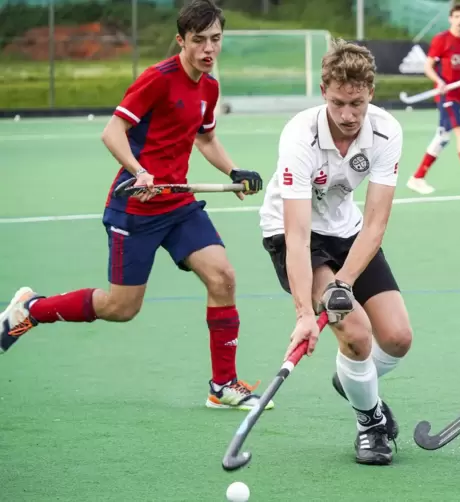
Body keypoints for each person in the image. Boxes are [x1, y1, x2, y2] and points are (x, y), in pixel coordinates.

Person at [0, 0, 272, 412]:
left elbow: (204, 137)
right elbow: (113, 132)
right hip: (135, 209)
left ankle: (223, 385)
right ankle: (33, 309)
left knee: (223, 277)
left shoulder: (209, 88)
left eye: (215, 40)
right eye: (198, 41)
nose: (208, 50)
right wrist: (138, 171)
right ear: (181, 40)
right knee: (121, 307)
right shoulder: (157, 79)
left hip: (178, 204)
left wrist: (234, 171)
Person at [258, 38, 413, 466]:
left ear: (370, 96)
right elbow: (297, 231)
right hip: (292, 233)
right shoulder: (299, 137)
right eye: (340, 103)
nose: (348, 116)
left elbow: (377, 221)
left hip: (349, 231)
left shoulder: (386, 131)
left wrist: (343, 282)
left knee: (397, 338)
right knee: (357, 333)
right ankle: (371, 423)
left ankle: (353, 377)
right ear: (324, 91)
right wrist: (305, 315)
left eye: (357, 105)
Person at [406, 2, 460, 197]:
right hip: (446, 96)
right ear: (450, 19)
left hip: (458, 95)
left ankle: (417, 178)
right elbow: (428, 67)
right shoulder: (441, 40)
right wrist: (439, 81)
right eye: (457, 17)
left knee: (443, 137)